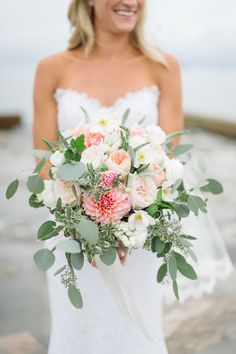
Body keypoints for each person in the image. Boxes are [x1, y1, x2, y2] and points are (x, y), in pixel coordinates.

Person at [32, 1, 233, 353]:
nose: (131, 2)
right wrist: (85, 228)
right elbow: (44, 164)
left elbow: (169, 159)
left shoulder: (163, 67)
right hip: (70, 232)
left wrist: (122, 228)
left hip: (140, 230)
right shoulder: (52, 69)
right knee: (75, 329)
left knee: (137, 333)